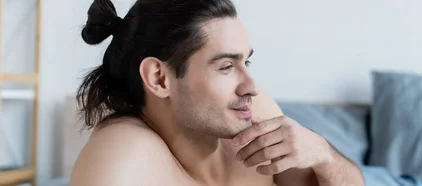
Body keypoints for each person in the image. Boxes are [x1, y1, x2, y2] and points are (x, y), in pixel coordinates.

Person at [69, 0, 365, 186]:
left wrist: (324, 154)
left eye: (245, 61)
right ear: (159, 78)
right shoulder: (123, 153)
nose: (252, 86)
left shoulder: (255, 112)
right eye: (226, 66)